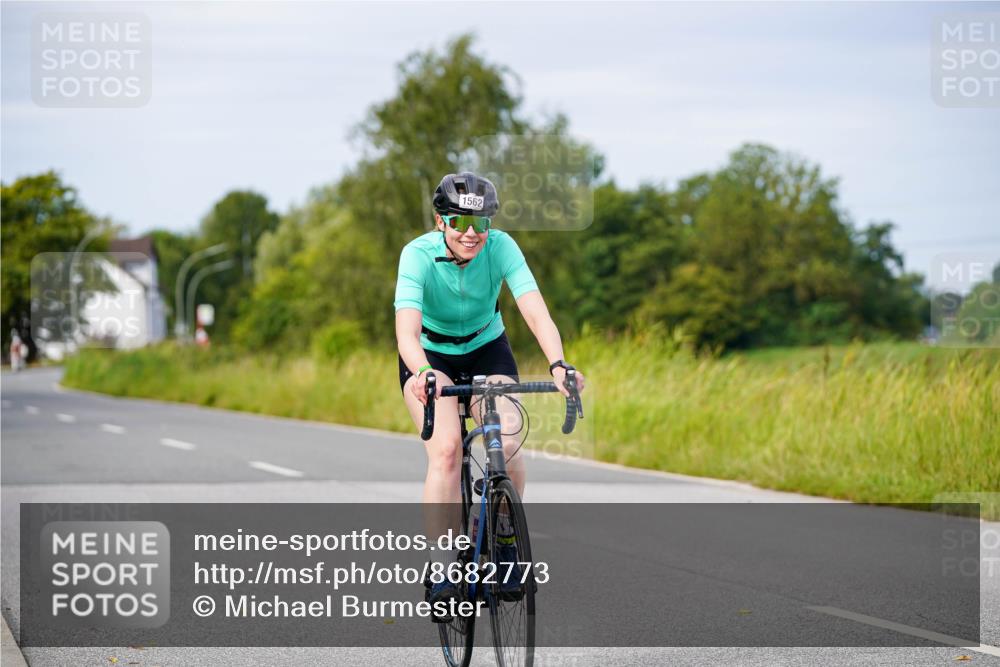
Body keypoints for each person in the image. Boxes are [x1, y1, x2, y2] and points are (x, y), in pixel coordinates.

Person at [394, 172, 585, 607]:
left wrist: (558, 364)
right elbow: (406, 332)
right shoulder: (417, 255)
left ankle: (503, 538)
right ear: (440, 222)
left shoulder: (501, 247)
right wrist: (422, 372)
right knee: (447, 451)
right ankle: (442, 565)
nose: (471, 234)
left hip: (487, 349)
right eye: (460, 222)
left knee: (509, 440)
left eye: (480, 223)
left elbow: (535, 311)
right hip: (431, 356)